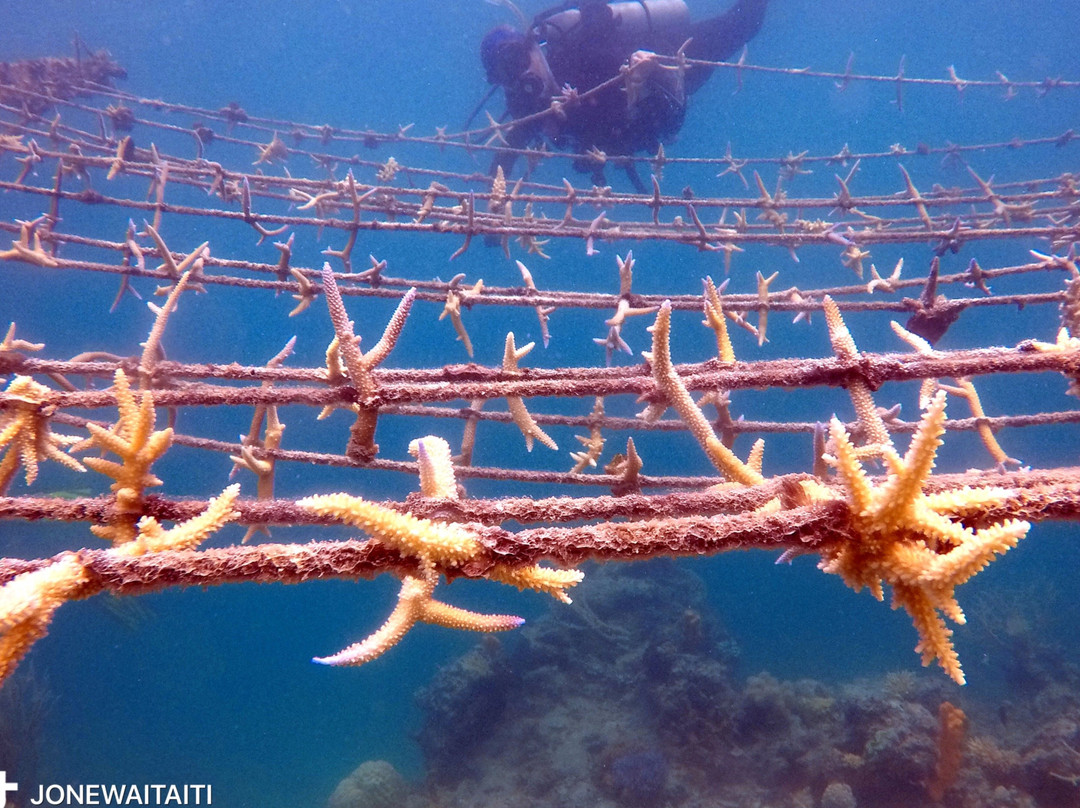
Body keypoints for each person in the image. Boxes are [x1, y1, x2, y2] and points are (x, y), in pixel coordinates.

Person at [478, 0, 769, 189]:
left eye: (518, 60)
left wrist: (651, 74)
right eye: (506, 74)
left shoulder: (582, 57)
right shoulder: (528, 107)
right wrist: (493, 204)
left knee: (745, 23)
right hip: (643, 120)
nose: (521, 75)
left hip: (667, 56)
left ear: (534, 47)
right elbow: (509, 149)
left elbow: (663, 118)